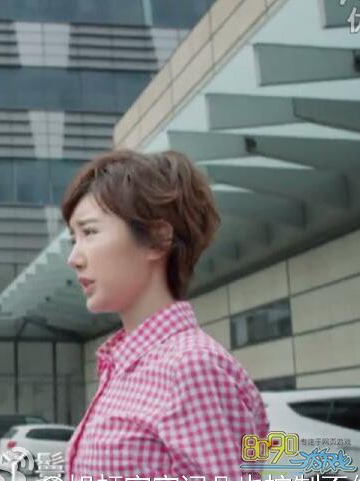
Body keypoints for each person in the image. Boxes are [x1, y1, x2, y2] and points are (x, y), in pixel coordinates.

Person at [61, 149, 269, 477]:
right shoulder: (124, 368)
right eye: (74, 238)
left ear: (158, 239)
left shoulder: (189, 367)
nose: (74, 258)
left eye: (89, 232)